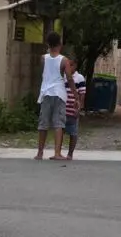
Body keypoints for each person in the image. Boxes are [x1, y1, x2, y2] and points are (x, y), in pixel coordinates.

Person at [35, 31, 78, 161]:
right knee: (58, 124)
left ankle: (40, 153)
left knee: (43, 123)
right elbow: (69, 78)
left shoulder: (43, 58)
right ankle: (57, 153)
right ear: (60, 44)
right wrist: (75, 96)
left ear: (48, 44)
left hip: (46, 93)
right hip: (59, 93)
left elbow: (44, 73)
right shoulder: (64, 60)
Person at [63, 63, 87, 160]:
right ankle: (58, 152)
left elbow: (82, 93)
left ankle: (70, 154)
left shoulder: (79, 78)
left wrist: (79, 107)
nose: (69, 67)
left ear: (75, 66)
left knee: (73, 132)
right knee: (60, 129)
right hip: (63, 108)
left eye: (71, 65)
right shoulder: (63, 77)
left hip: (73, 107)